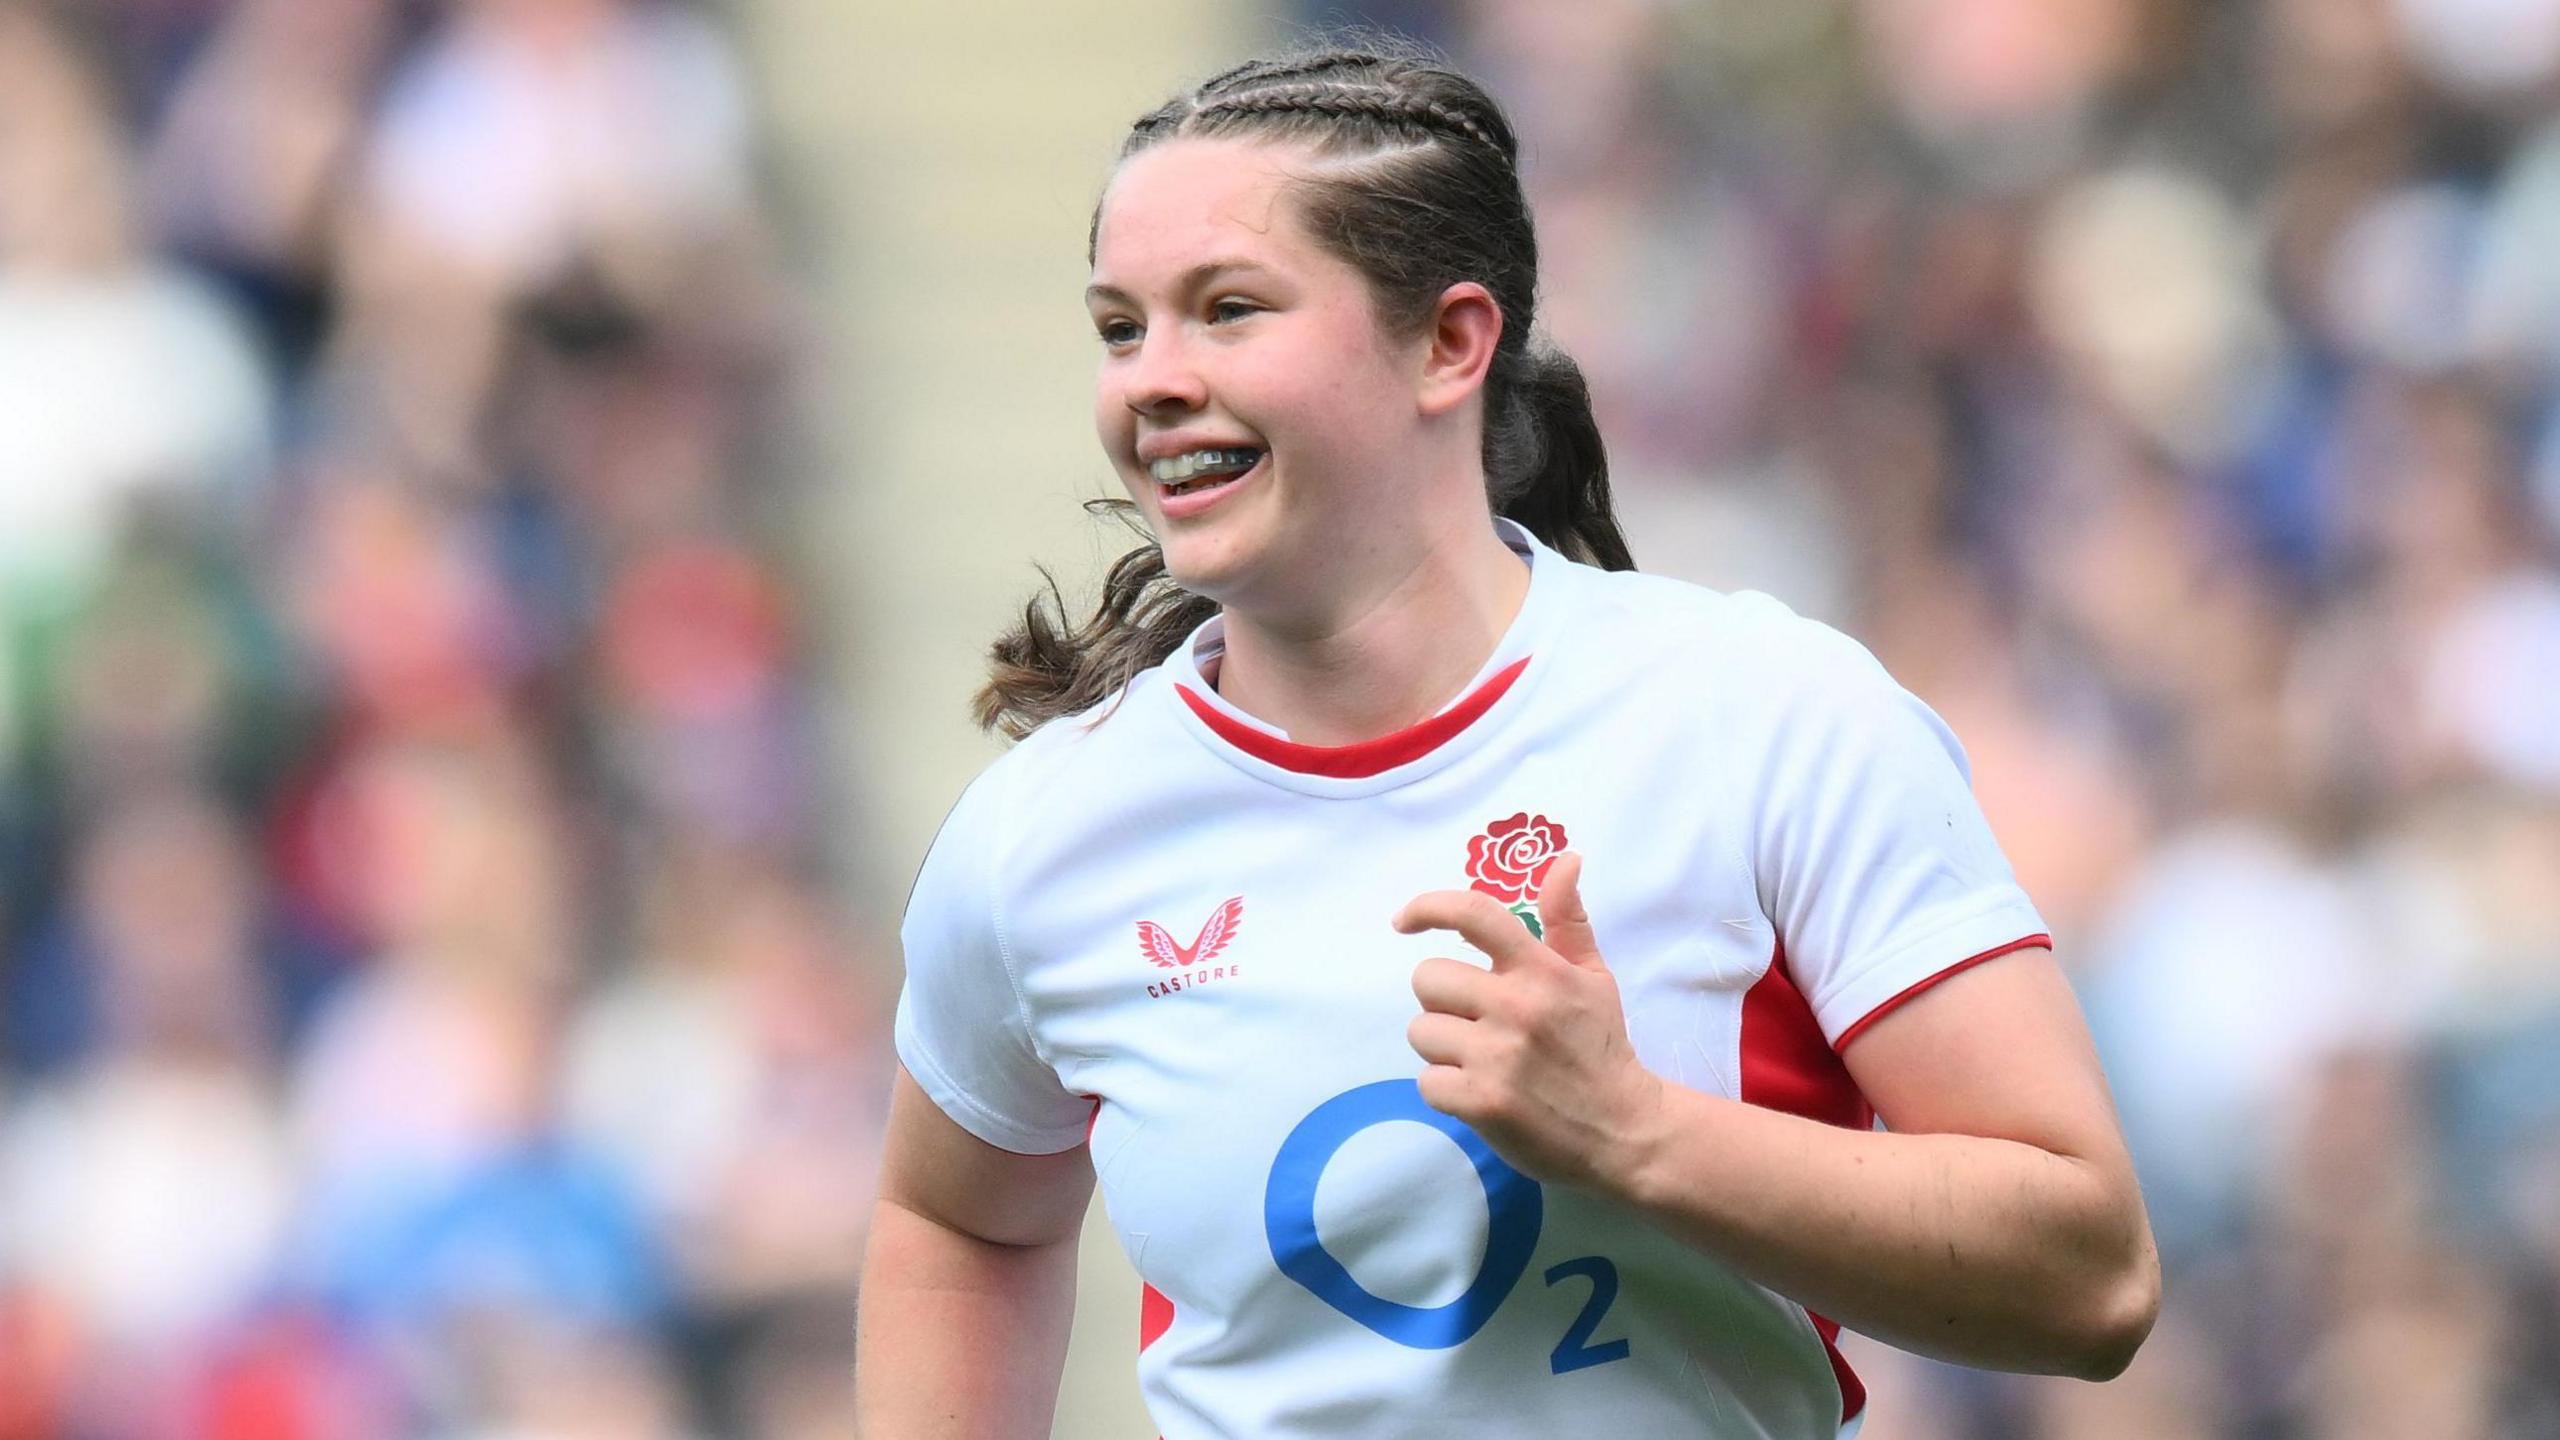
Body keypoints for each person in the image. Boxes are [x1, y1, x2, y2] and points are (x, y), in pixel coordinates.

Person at [854, 39, 2160, 1440]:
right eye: (1122, 329)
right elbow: (959, 1221)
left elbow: (2091, 1278)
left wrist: (1638, 1135)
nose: (1151, 382)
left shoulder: (1765, 717)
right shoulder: (1048, 828)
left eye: (1228, 310)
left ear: (1450, 344)